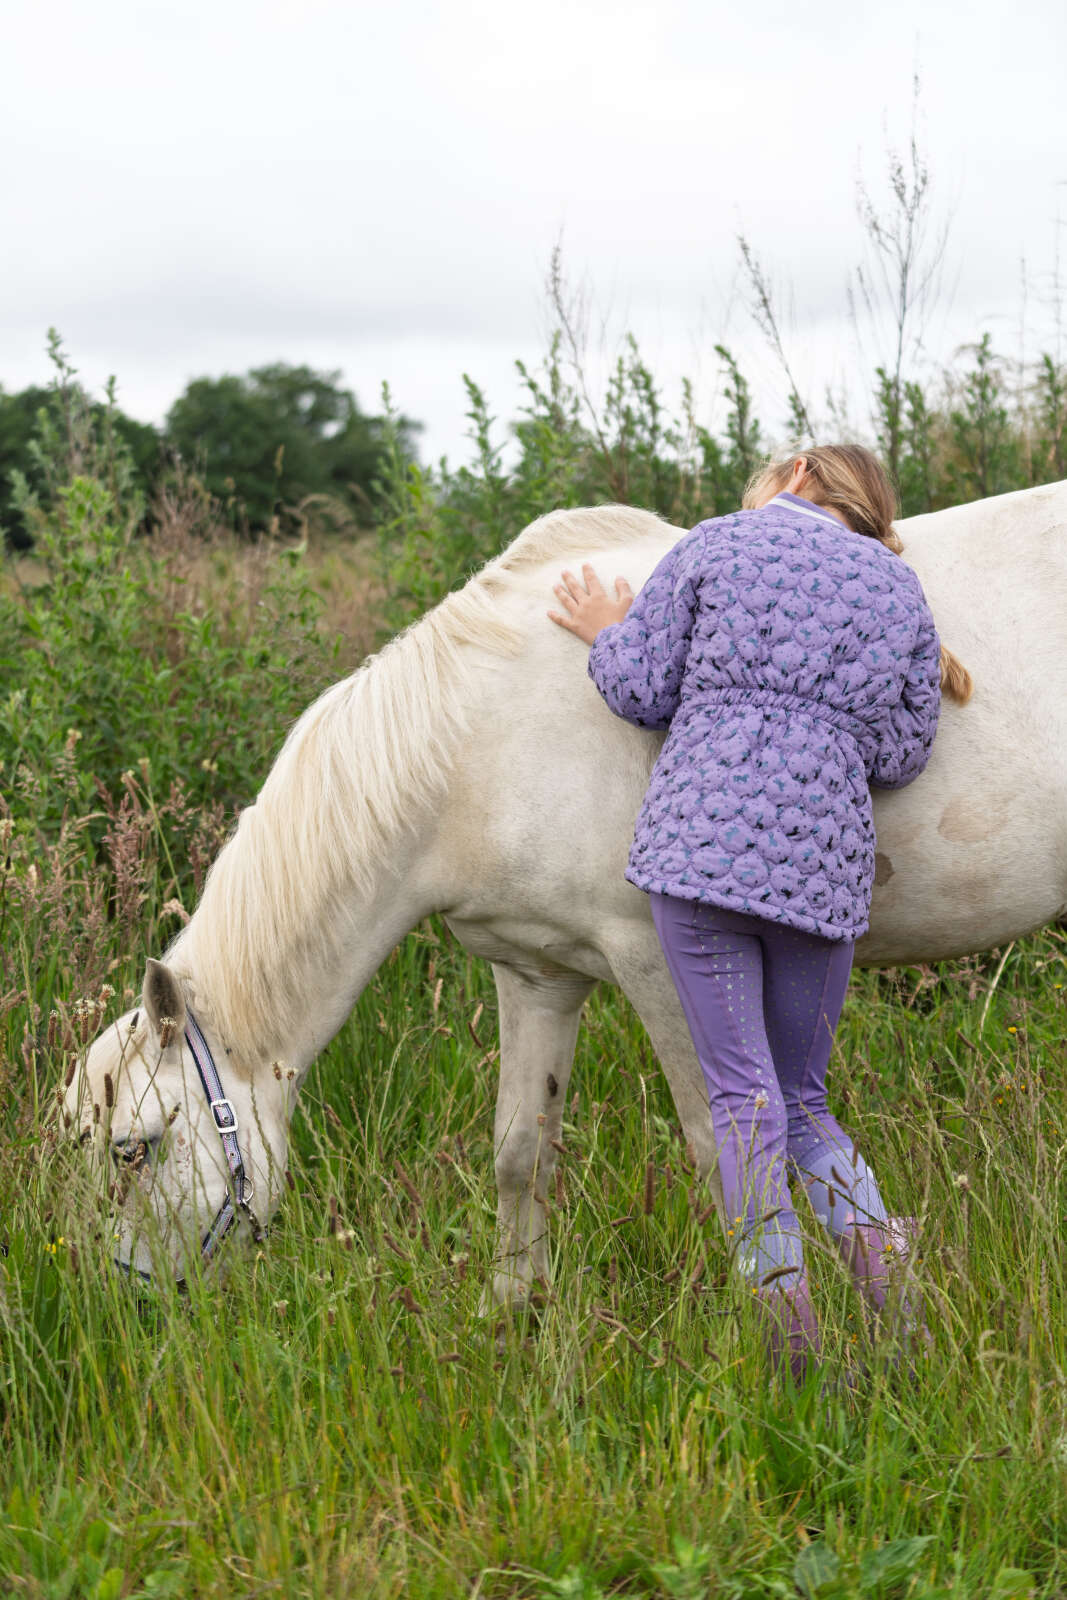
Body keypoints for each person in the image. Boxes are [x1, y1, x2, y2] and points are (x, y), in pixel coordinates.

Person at [547, 445, 972, 1383]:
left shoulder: (714, 545)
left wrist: (606, 628)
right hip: (819, 872)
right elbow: (901, 756)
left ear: (793, 476)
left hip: (697, 856)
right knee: (805, 1103)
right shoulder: (898, 592)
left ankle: (791, 1345)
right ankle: (902, 1314)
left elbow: (640, 690)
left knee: (741, 1104)